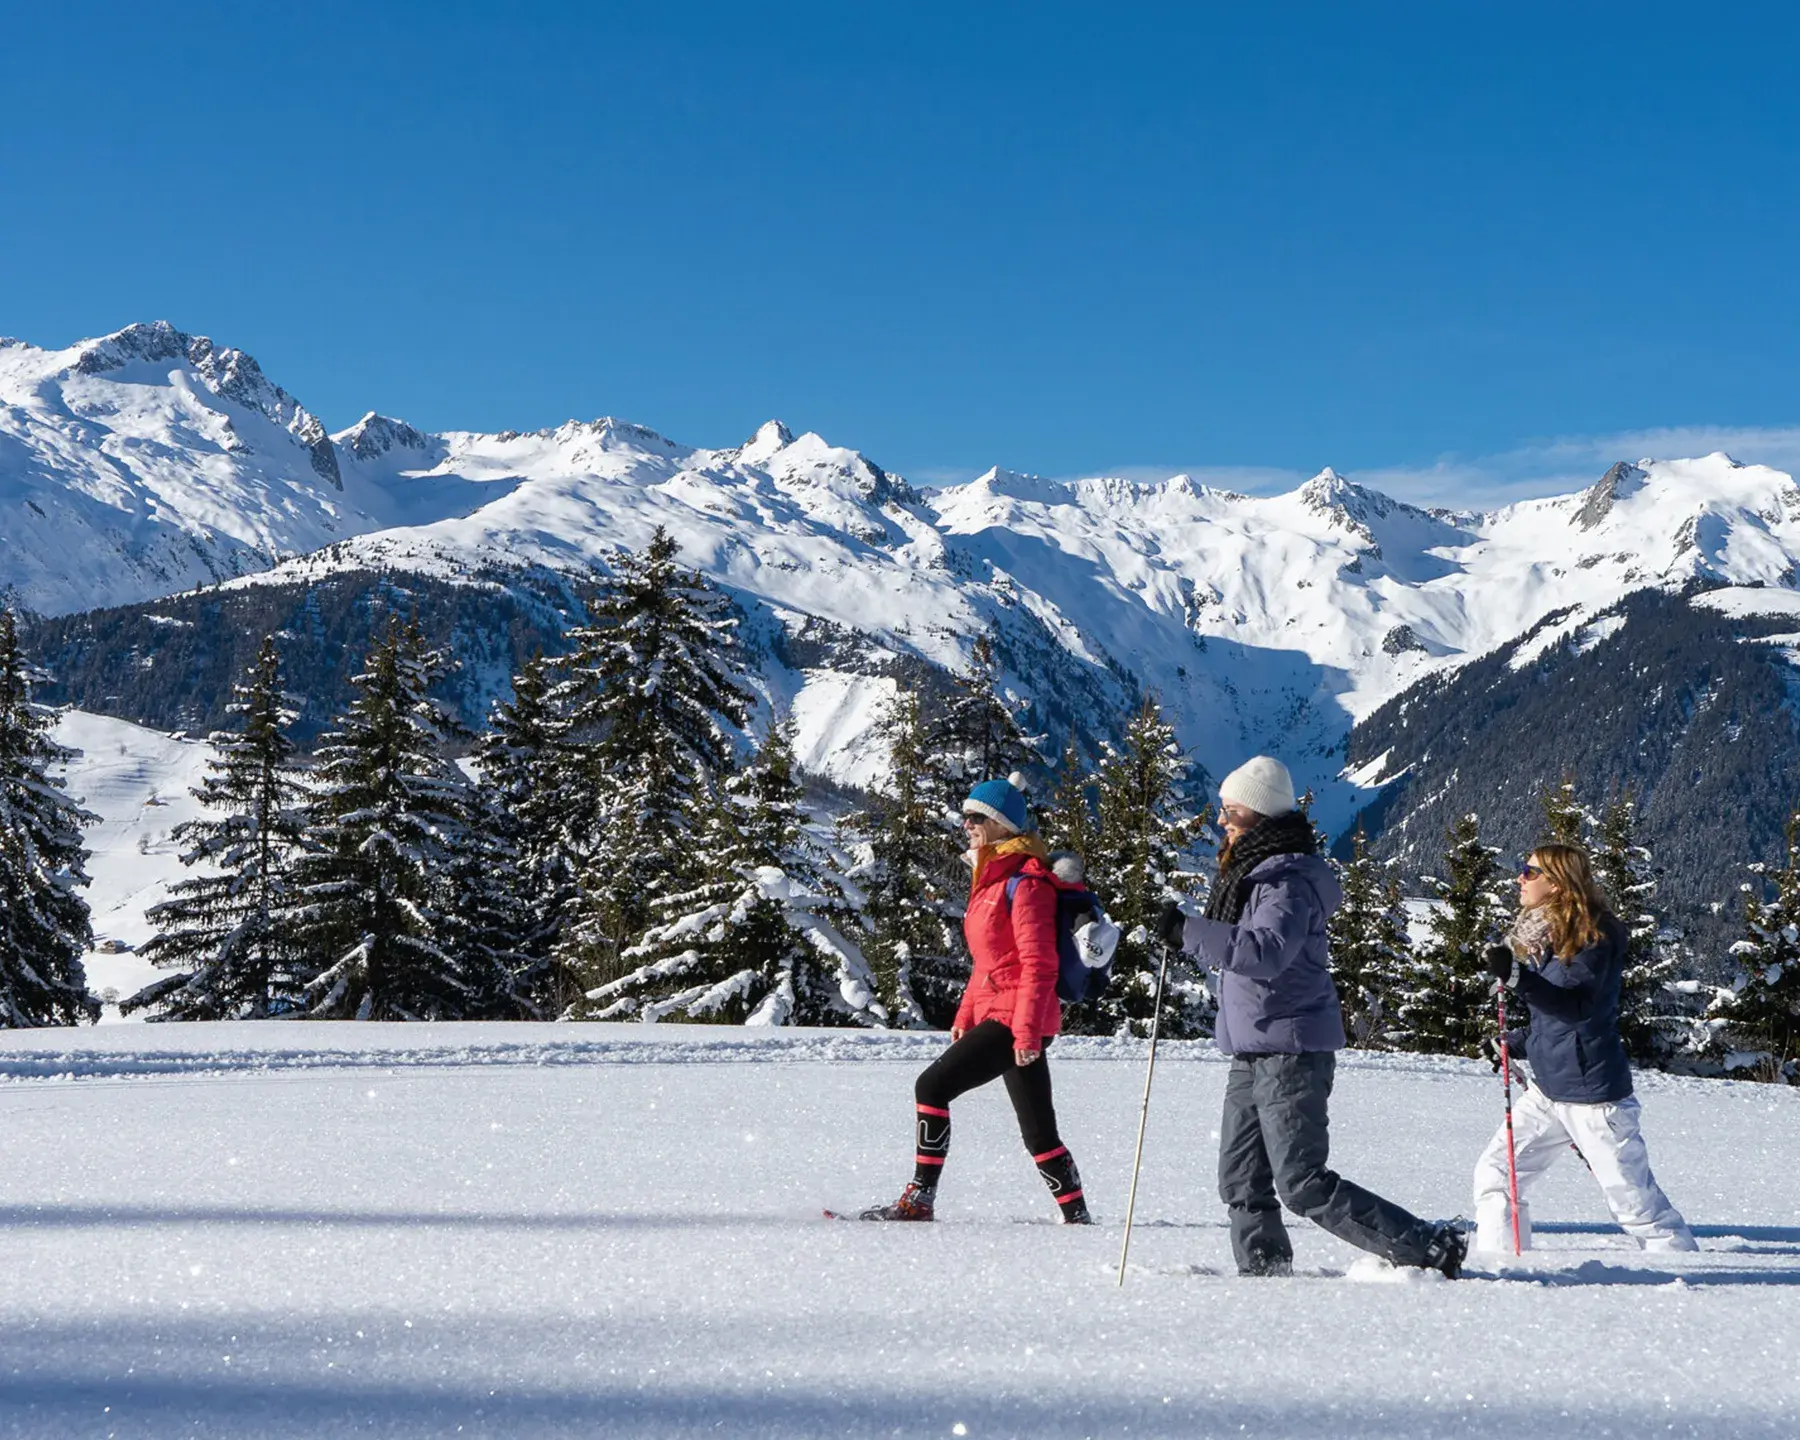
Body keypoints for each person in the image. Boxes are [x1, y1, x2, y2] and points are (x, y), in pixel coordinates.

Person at [1158, 756, 1466, 1277]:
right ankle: (1265, 1275)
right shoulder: (1253, 876)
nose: (1222, 821)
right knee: (1240, 1178)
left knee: (1301, 1182)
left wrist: (1188, 932)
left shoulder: (1287, 881)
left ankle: (1427, 1247)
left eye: (1231, 811)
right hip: (1253, 1046)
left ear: (1259, 815)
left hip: (1291, 1049)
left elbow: (1266, 951)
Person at [858, 772, 1091, 1224]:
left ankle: (920, 1199)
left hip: (1017, 1018)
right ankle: (1077, 1217)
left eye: (976, 817)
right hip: (1003, 1013)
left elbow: (1039, 964)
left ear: (1003, 824)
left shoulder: (1027, 884)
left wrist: (1026, 1033)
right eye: (965, 815)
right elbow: (988, 961)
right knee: (1039, 1131)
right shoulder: (992, 879)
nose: (966, 823)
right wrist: (966, 1014)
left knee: (931, 1087)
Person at [1471, 844, 1697, 1254]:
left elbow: (1578, 1008)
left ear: (1557, 884)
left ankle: (1687, 1274)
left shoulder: (1593, 938)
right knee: (1497, 1175)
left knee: (1635, 1207)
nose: (1520, 878)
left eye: (1530, 871)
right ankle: (1504, 1269)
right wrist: (1512, 1042)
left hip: (1594, 1098)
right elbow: (1552, 1022)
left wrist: (1518, 978)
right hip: (1549, 1091)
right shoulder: (1548, 934)